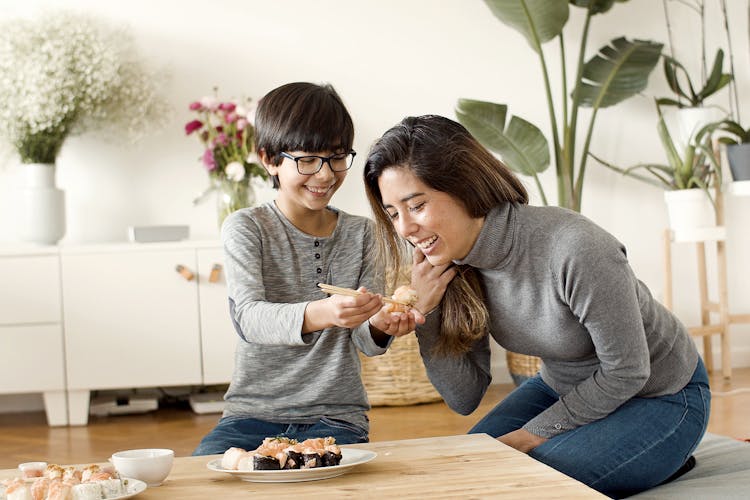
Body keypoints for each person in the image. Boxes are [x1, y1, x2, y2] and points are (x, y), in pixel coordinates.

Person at [362, 114, 710, 498]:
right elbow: (464, 399)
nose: (405, 228)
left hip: (661, 393)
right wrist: (426, 312)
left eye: (417, 206)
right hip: (564, 388)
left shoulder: (576, 247)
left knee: (528, 479)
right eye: (394, 213)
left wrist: (531, 437)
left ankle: (659, 456)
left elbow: (628, 371)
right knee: (466, 463)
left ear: (464, 187)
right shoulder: (453, 264)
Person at [193, 82, 419, 456]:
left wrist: (379, 325)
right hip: (250, 416)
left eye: (336, 157)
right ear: (268, 159)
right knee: (204, 480)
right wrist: (326, 312)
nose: (326, 175)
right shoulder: (247, 228)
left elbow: (366, 341)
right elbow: (250, 320)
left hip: (336, 418)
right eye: (308, 160)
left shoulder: (363, 233)